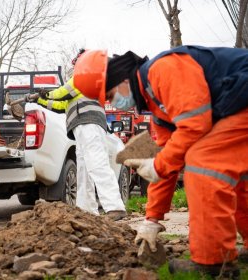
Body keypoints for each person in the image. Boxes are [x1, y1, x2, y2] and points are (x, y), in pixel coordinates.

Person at [73, 47, 248, 278]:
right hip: (238, 105)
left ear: (123, 79)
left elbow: (195, 125)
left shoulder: (163, 70)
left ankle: (214, 262)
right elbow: (166, 162)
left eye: (111, 95)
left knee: (204, 163)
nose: (114, 104)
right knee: (234, 177)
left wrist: (159, 164)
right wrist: (151, 219)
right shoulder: (157, 107)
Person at [35, 49, 127, 220]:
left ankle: (115, 206)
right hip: (82, 126)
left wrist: (44, 93)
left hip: (88, 123)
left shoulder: (83, 76)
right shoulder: (84, 85)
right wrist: (39, 100)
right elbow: (60, 105)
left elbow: (61, 93)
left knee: (96, 162)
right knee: (84, 170)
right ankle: (86, 211)